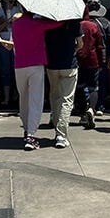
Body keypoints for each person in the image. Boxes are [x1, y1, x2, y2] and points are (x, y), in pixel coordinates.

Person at [6, 7, 60, 150]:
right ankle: (31, 134)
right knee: (36, 99)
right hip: (36, 65)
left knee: (23, 97)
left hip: (19, 65)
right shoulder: (38, 23)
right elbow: (57, 23)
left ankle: (26, 126)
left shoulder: (16, 24)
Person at [44, 13, 82, 149]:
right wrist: (74, 49)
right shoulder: (73, 21)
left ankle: (56, 126)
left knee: (55, 96)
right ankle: (61, 134)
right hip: (69, 65)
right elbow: (80, 43)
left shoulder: (46, 21)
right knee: (67, 100)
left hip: (52, 64)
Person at [76, 5, 106, 130]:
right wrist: (102, 61)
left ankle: (83, 113)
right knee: (94, 87)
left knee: (80, 87)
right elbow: (100, 45)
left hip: (79, 60)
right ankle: (91, 109)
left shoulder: (77, 25)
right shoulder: (94, 26)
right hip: (93, 60)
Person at [84, 0, 110, 114]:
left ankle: (86, 105)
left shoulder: (83, 23)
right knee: (100, 81)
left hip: (84, 55)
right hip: (102, 54)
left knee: (84, 81)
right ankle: (99, 105)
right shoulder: (105, 22)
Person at [0, 0, 16, 108]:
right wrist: (7, 21)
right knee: (5, 70)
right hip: (4, 45)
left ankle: (16, 95)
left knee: (16, 70)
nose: (9, 4)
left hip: (16, 45)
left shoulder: (17, 12)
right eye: (6, 1)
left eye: (11, 2)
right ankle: (6, 97)